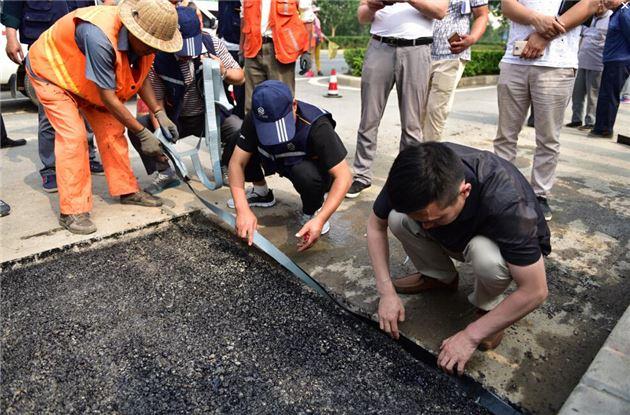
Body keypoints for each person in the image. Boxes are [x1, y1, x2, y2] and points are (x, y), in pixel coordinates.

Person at [367, 142, 550, 375]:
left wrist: (471, 336)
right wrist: (386, 292)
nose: (426, 227)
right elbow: (375, 226)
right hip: (457, 236)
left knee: (486, 257)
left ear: (465, 191)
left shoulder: (508, 204)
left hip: (491, 244)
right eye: (422, 219)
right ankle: (439, 278)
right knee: (397, 218)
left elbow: (536, 290)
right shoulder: (410, 176)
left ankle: (487, 308)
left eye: (435, 218)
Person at [25, 0, 183, 234]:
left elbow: (140, 76)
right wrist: (142, 131)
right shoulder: (98, 36)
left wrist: (158, 112)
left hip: (85, 77)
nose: (155, 50)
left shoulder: (145, 43)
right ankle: (73, 210)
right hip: (52, 73)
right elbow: (109, 97)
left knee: (112, 129)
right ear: (134, 32)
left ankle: (126, 190)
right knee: (74, 136)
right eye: (151, 45)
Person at [493, 0, 600, 221]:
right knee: (505, 136)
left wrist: (543, 35)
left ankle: (539, 195)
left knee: (548, 139)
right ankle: (502, 190)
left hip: (557, 65)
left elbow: (590, 4)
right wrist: (536, 19)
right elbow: (507, 5)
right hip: (515, 59)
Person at [128, 6, 245, 195]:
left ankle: (225, 167)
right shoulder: (157, 57)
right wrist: (160, 131)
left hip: (210, 116)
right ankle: (165, 172)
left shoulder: (212, 44)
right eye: (184, 50)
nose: (190, 55)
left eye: (193, 48)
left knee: (239, 128)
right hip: (176, 119)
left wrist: (223, 71)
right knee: (138, 128)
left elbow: (241, 76)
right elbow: (155, 102)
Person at [227, 80, 352, 251]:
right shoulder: (255, 118)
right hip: (275, 158)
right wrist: (242, 210)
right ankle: (261, 192)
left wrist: (321, 218)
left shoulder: (317, 125)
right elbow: (236, 163)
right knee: (235, 143)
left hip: (304, 167)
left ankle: (312, 212)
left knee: (306, 175)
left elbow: (344, 176)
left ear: (294, 105)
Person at [1, 0, 108, 192]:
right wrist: (11, 37)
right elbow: (13, 3)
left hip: (80, 34)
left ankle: (87, 156)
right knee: (49, 108)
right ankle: (50, 167)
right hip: (43, 37)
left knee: (86, 102)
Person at [346, 0, 449, 199]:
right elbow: (362, 16)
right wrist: (375, 5)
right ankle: (361, 174)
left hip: (416, 49)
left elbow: (439, 11)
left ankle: (408, 178)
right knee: (369, 118)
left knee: (412, 124)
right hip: (379, 46)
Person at [422, 0, 489, 141]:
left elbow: (482, 15)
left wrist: (472, 38)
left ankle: (429, 158)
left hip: (451, 54)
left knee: (436, 110)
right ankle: (412, 154)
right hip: (418, 52)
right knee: (415, 110)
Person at [240, 0, 315, 114]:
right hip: (253, 50)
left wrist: (307, 52)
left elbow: (307, 18)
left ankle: (284, 131)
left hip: (281, 50)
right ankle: (253, 131)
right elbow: (244, 18)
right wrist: (241, 50)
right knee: (252, 104)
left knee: (282, 102)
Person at [566, 5, 612, 130]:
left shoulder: (610, 18)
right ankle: (576, 120)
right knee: (577, 93)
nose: (600, 5)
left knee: (593, 94)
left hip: (597, 64)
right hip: (581, 61)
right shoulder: (588, 17)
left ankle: (590, 121)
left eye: (603, 2)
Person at [589, 0, 630, 138]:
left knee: (610, 95)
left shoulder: (625, 13)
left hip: (619, 60)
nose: (606, 1)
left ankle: (605, 129)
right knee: (604, 94)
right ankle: (600, 126)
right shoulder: (617, 13)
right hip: (611, 59)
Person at [218, 0, 246, 118]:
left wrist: (243, 48)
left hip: (237, 45)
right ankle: (230, 115)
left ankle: (239, 118)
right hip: (223, 42)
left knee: (240, 88)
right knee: (220, 86)